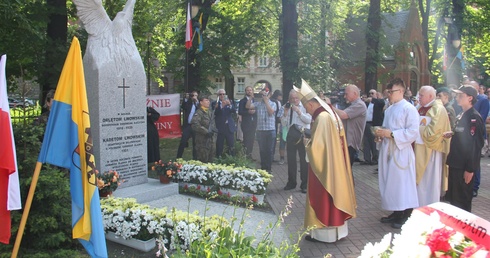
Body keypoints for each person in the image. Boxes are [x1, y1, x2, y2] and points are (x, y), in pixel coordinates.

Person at [295, 79, 356, 243]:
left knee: (323, 197)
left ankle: (323, 232)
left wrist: (307, 143)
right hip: (334, 164)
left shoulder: (321, 117)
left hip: (324, 169)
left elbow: (318, 149)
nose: (307, 111)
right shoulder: (330, 113)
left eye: (306, 107)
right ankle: (336, 231)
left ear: (310, 104)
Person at [375, 78, 419, 229]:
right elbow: (387, 128)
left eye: (391, 91)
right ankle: (396, 211)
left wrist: (392, 134)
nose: (389, 94)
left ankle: (406, 213)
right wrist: (380, 134)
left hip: (401, 151)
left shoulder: (409, 109)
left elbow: (413, 132)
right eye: (388, 92)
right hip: (388, 149)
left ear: (400, 91)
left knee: (402, 183)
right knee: (390, 182)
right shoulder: (390, 109)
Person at [444, 86, 484, 212]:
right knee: (454, 200)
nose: (457, 98)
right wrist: (453, 133)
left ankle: (464, 229)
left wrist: (470, 169)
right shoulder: (462, 114)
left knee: (462, 201)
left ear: (470, 98)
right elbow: (464, 136)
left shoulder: (474, 118)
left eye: (461, 95)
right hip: (456, 163)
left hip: (463, 167)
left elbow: (475, 145)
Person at [414, 86, 451, 207]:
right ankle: (417, 205)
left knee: (429, 181)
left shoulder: (438, 109)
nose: (418, 98)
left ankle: (430, 206)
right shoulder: (419, 108)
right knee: (419, 182)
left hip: (431, 151)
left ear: (430, 96)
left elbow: (433, 133)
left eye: (421, 95)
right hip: (418, 148)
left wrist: (413, 130)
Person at [331, 84, 367, 168]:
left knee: (345, 172)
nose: (344, 96)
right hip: (346, 142)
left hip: (351, 144)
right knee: (343, 171)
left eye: (346, 94)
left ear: (354, 93)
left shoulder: (360, 105)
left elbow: (343, 115)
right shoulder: (353, 105)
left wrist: (329, 107)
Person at [282, 90, 311, 193]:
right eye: (292, 98)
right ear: (289, 99)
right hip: (291, 135)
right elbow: (283, 124)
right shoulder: (287, 106)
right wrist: (285, 113)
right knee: (291, 160)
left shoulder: (306, 106)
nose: (294, 100)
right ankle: (291, 182)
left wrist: (299, 112)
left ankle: (304, 185)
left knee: (304, 160)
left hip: (303, 135)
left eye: (296, 98)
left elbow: (309, 120)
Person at [248, 87, 277, 172]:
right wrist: (251, 97)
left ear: (269, 95)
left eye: (265, 95)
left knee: (269, 150)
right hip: (260, 130)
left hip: (270, 130)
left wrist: (266, 101)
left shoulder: (273, 103)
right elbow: (248, 106)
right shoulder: (258, 104)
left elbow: (271, 112)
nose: (264, 96)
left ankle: (268, 168)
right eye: (262, 95)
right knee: (262, 150)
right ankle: (263, 168)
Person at [468, 80, 488, 197]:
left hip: (477, 134)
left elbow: (482, 117)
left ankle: (475, 186)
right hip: (467, 135)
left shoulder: (483, 100)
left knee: (475, 161)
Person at [362, 90, 385, 165]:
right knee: (366, 142)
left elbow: (382, 103)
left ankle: (375, 159)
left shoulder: (378, 102)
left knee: (374, 142)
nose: (370, 95)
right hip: (367, 123)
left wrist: (373, 100)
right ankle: (367, 159)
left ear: (376, 94)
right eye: (370, 93)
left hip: (374, 124)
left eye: (372, 93)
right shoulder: (367, 103)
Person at [191, 96, 215, 163]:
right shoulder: (199, 112)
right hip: (202, 141)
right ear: (201, 102)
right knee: (203, 161)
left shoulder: (210, 112)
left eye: (209, 100)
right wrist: (206, 132)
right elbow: (195, 124)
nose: (208, 102)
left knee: (211, 161)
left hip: (211, 140)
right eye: (206, 100)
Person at [213, 89, 236, 157]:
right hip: (220, 127)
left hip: (229, 126)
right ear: (218, 95)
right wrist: (222, 106)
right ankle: (219, 158)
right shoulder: (215, 103)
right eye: (220, 94)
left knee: (231, 144)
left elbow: (234, 111)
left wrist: (229, 105)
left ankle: (231, 159)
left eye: (223, 94)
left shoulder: (230, 101)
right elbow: (215, 113)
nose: (222, 95)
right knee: (219, 145)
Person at [177, 91, 198, 159]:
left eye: (195, 95)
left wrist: (196, 101)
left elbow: (201, 108)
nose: (194, 97)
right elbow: (183, 106)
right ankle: (178, 157)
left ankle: (195, 158)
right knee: (183, 142)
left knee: (195, 143)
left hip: (195, 126)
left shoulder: (198, 103)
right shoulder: (188, 103)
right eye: (193, 96)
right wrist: (186, 98)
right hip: (188, 126)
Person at [238, 86, 257, 158]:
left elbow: (258, 111)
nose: (249, 91)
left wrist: (255, 112)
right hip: (246, 123)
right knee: (246, 139)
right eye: (248, 90)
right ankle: (245, 154)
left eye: (250, 90)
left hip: (253, 123)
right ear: (245, 92)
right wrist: (248, 112)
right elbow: (240, 111)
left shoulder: (255, 101)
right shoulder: (242, 101)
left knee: (252, 139)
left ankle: (250, 155)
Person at [270, 90, 283, 161]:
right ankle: (271, 156)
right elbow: (278, 112)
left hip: (273, 122)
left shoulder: (272, 101)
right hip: (274, 122)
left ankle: (271, 156)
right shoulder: (276, 102)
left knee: (273, 140)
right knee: (273, 140)